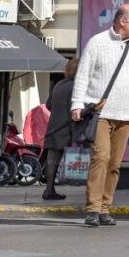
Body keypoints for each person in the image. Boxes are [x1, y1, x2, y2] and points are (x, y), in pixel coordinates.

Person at [70, 4, 129, 227]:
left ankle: (105, 208)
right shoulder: (97, 42)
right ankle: (93, 209)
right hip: (101, 113)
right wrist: (77, 104)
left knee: (115, 164)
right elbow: (83, 75)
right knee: (101, 158)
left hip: (125, 114)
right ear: (121, 21)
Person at [42, 57, 79, 200]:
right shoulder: (77, 86)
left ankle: (49, 189)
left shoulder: (59, 84)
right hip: (69, 127)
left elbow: (48, 105)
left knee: (52, 161)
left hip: (54, 127)